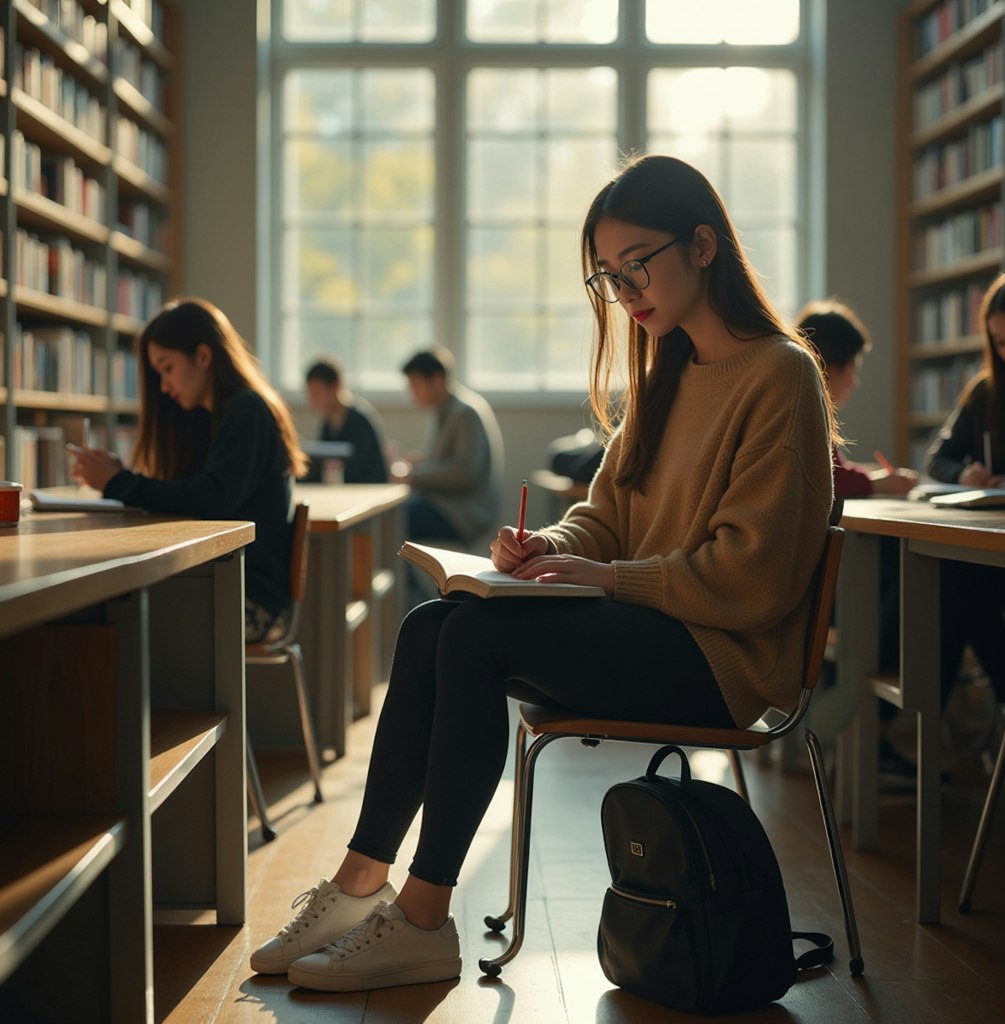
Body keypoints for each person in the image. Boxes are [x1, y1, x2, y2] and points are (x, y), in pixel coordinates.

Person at [249, 154, 837, 994]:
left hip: (723, 659)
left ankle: (421, 920)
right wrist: (546, 546)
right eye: (607, 273)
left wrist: (600, 578)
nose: (623, 287)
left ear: (703, 245)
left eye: (637, 262)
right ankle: (357, 885)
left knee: (477, 638)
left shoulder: (782, 375)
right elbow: (607, 515)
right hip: (656, 632)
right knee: (430, 626)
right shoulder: (662, 368)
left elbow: (752, 578)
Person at [69, 297, 308, 643]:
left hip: (249, 601)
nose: (164, 386)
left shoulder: (248, 411)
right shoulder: (209, 419)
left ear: (203, 356)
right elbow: (195, 494)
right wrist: (120, 479)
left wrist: (118, 482)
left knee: (109, 616)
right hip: (224, 585)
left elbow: (210, 499)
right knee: (108, 609)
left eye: (167, 368)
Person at [797, 299, 921, 781]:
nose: (858, 380)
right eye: (856, 367)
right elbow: (822, 476)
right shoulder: (803, 402)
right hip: (811, 583)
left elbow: (833, 473)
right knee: (904, 579)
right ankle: (833, 732)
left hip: (799, 572)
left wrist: (869, 479)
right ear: (832, 368)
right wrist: (879, 483)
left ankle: (848, 733)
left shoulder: (798, 400)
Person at [924, 269, 1005, 718]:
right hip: (1003, 555)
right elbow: (938, 459)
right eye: (999, 342)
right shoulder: (988, 392)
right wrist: (966, 473)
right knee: (958, 575)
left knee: (961, 583)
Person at [797, 299, 918, 498]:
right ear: (829, 371)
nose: (854, 383)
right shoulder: (804, 413)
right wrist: (875, 483)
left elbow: (834, 469)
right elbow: (828, 479)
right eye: (853, 371)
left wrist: (873, 476)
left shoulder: (798, 402)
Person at [391, 346, 503, 545]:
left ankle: (405, 578)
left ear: (437, 379)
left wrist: (412, 476)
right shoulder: (445, 409)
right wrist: (412, 461)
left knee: (393, 518)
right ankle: (405, 577)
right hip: (443, 505)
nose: (412, 393)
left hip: (463, 513)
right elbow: (441, 459)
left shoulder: (464, 413)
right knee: (391, 513)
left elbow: (464, 472)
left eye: (416, 384)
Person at [303, 358, 388, 484]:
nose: (313, 402)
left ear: (335, 386)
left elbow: (358, 469)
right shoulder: (328, 424)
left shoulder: (360, 420)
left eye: (317, 394)